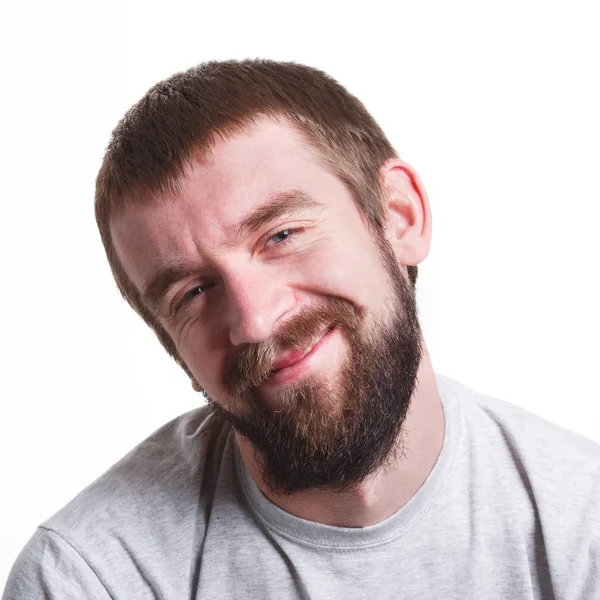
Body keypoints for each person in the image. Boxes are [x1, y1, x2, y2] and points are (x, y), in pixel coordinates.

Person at [3, 59, 599, 600]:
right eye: (192, 293)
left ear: (399, 218)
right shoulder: (89, 579)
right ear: (176, 352)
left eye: (281, 236)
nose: (255, 321)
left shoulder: (582, 527)